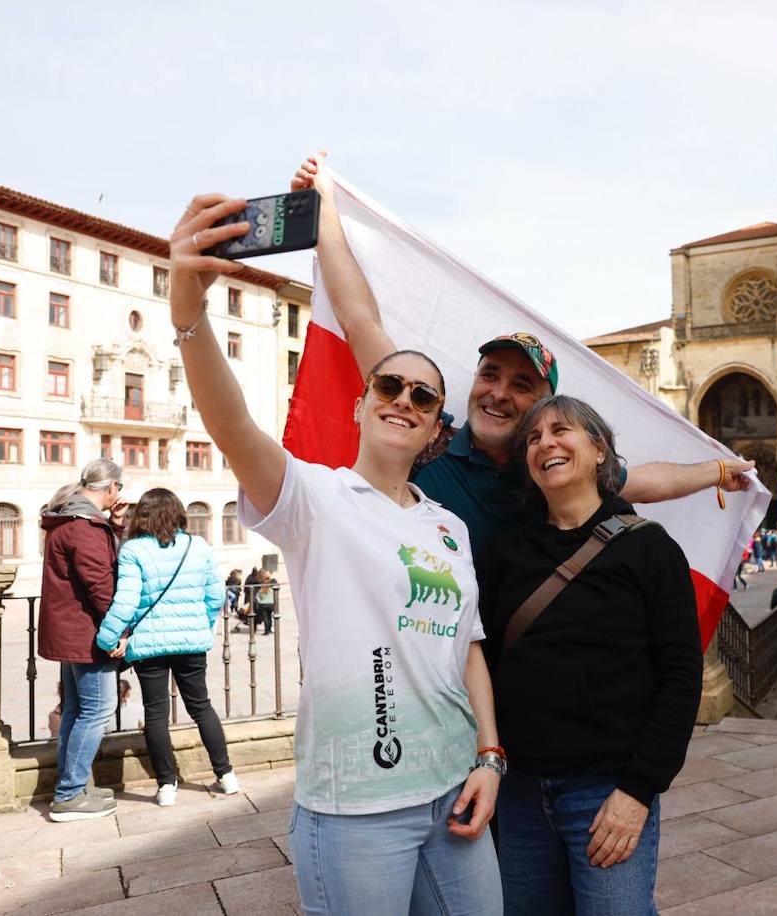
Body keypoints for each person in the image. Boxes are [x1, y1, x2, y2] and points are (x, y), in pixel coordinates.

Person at [168, 194, 503, 913]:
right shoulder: (315, 499)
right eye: (388, 384)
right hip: (357, 807)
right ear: (361, 402)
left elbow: (467, 644)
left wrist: (490, 757)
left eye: (423, 396)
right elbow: (234, 431)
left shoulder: (449, 527)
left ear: (434, 432)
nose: (404, 399)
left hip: (454, 787)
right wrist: (189, 320)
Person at [290, 151, 754, 560]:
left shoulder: (544, 469)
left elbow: (645, 481)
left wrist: (714, 471)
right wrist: (325, 209)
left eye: (521, 385)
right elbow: (360, 321)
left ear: (541, 407)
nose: (498, 393)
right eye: (491, 375)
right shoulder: (427, 434)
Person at [482, 395, 702, 915]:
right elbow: (484, 662)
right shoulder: (504, 550)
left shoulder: (650, 549)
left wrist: (639, 790)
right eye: (533, 438)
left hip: (606, 793)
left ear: (599, 450)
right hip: (519, 792)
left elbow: (681, 674)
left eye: (562, 431)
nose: (546, 444)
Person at [96, 488, 236, 807]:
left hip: (149, 643)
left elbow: (127, 600)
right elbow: (216, 595)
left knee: (156, 713)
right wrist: (204, 623)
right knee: (201, 706)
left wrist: (106, 639)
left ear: (141, 515)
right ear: (178, 513)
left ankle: (166, 785)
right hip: (190, 641)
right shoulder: (197, 546)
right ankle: (226, 775)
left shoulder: (133, 550)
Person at [39, 457, 127, 822]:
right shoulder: (84, 527)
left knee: (76, 710)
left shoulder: (69, 521)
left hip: (70, 631)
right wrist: (117, 629)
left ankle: (73, 786)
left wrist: (115, 524)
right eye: (118, 488)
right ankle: (70, 794)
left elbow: (99, 563)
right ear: (110, 488)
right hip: (87, 634)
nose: (119, 495)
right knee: (98, 711)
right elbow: (101, 584)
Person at [253, 569, 277, 635]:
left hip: (263, 604)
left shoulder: (261, 590)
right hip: (271, 604)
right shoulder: (271, 588)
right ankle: (269, 629)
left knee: (265, 618)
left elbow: (257, 597)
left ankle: (266, 631)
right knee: (270, 617)